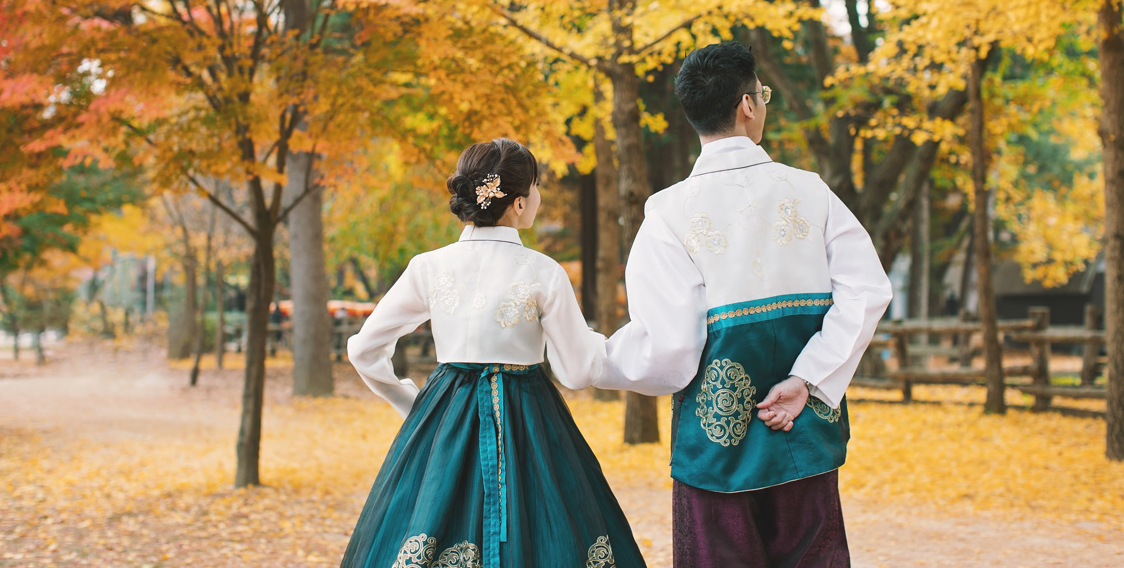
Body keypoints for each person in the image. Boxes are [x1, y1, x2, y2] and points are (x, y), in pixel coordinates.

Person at [601, 41, 893, 568]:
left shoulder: (666, 214)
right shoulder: (810, 191)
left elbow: (669, 349)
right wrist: (809, 377)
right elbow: (869, 291)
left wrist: (596, 360)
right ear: (748, 104)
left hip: (715, 450)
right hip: (801, 434)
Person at [342, 138, 643, 568]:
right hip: (530, 418)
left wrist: (415, 405)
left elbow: (364, 349)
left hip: (445, 418)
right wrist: (600, 342)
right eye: (536, 186)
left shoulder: (429, 266)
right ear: (519, 204)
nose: (539, 196)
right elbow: (577, 371)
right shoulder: (543, 272)